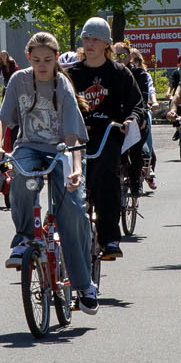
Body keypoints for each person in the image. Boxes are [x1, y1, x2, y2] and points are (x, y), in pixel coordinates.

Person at [0, 31, 98, 314]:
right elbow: (3, 118)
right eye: (36, 59)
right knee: (23, 179)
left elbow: (73, 135)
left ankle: (84, 284)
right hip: (30, 147)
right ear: (28, 58)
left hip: (63, 148)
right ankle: (24, 239)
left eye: (48, 60)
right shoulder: (18, 80)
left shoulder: (62, 84)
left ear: (56, 58)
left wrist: (75, 170)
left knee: (72, 209)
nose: (42, 65)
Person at [66, 17, 136, 259]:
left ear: (106, 43)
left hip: (107, 136)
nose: (90, 43)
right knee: (66, 179)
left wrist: (129, 120)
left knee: (106, 177)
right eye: (86, 37)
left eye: (95, 38)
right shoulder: (70, 74)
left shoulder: (120, 73)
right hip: (75, 137)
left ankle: (109, 239)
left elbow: (135, 104)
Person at [126, 49, 158, 189]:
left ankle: (148, 164)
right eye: (133, 60)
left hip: (142, 109)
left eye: (137, 60)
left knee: (147, 133)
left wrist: (154, 102)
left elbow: (150, 90)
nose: (134, 63)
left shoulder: (144, 75)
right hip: (126, 112)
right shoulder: (122, 73)